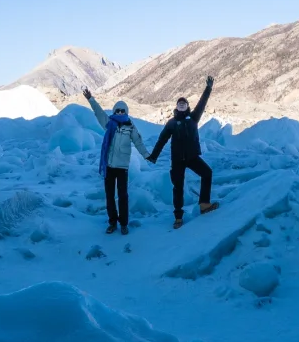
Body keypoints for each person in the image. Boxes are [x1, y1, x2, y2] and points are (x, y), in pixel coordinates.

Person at [148, 75, 219, 229]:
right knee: (178, 187)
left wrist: (208, 88)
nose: (182, 105)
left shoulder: (194, 118)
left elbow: (202, 103)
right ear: (176, 107)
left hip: (192, 157)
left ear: (187, 106)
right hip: (177, 160)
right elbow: (162, 140)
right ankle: (178, 218)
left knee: (207, 173)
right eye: (179, 103)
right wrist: (154, 156)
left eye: (184, 103)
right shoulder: (172, 123)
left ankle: (204, 204)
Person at [83, 88, 150, 235]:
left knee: (123, 196)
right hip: (109, 166)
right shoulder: (109, 123)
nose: (120, 113)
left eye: (122, 110)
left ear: (126, 112)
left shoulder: (130, 126)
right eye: (117, 110)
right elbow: (99, 113)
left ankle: (124, 223)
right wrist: (91, 99)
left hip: (122, 167)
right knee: (109, 196)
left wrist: (146, 155)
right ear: (114, 111)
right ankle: (112, 222)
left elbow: (138, 142)